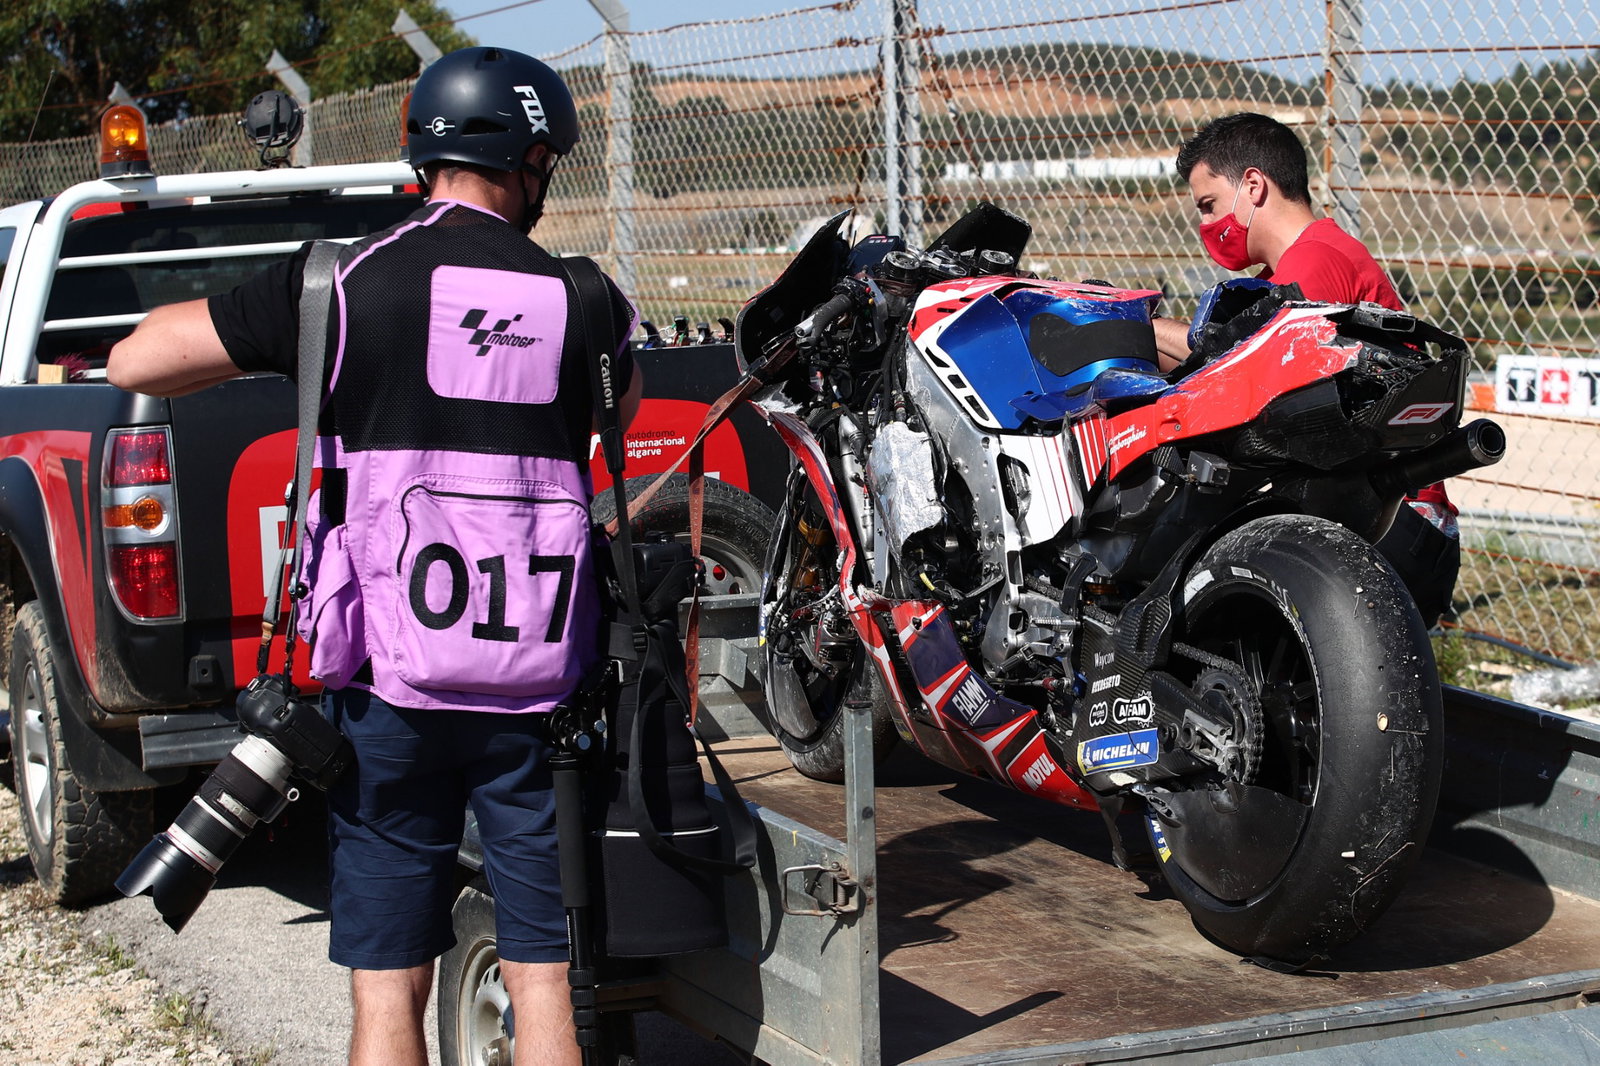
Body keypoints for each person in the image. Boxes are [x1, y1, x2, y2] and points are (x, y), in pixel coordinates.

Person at [107, 46, 642, 1066]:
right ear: (529, 158)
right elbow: (618, 408)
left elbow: (137, 359)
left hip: (386, 689)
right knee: (543, 980)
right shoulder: (587, 297)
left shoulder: (339, 283)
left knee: (389, 985)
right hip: (537, 695)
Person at [1154, 111, 1457, 626]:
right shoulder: (1294, 269)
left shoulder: (1316, 262)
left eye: (1209, 206)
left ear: (1253, 186)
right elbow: (1214, 358)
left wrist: (1139, 326)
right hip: (1377, 512)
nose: (1205, 226)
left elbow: (1233, 366)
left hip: (1395, 521)